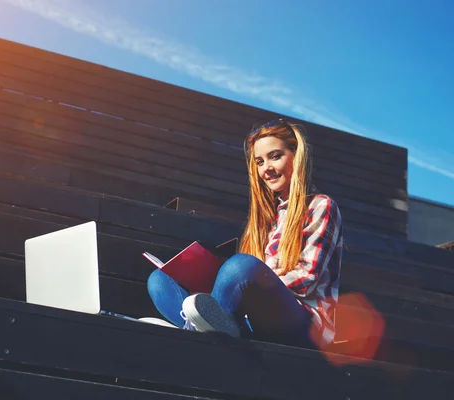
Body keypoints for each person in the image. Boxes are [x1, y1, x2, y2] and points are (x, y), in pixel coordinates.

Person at [144, 118, 343, 349]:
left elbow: (305, 279)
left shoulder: (321, 206)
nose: (266, 168)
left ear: (296, 157)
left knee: (241, 267)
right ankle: (205, 331)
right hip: (255, 319)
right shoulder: (266, 217)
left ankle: (196, 335)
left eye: (275, 156)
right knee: (159, 280)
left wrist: (239, 280)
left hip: (303, 324)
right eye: (259, 161)